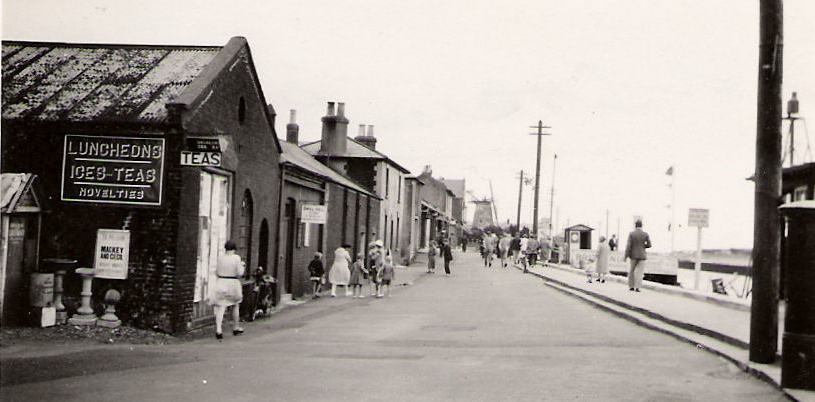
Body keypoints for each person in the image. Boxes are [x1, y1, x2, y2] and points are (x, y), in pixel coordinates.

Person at [210, 240, 245, 340]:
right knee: (235, 304)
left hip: (221, 282)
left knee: (220, 306)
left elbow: (216, 272)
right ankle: (236, 327)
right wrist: (243, 265)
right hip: (233, 283)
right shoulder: (236, 258)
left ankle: (218, 329)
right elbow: (240, 273)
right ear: (234, 249)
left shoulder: (220, 258)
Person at [624, 220, 651, 292]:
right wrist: (643, 246)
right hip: (642, 256)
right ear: (642, 225)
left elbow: (628, 246)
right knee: (640, 272)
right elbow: (649, 245)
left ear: (635, 225)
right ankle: (638, 287)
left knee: (632, 271)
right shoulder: (645, 234)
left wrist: (626, 256)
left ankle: (631, 286)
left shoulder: (631, 234)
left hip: (633, 255)